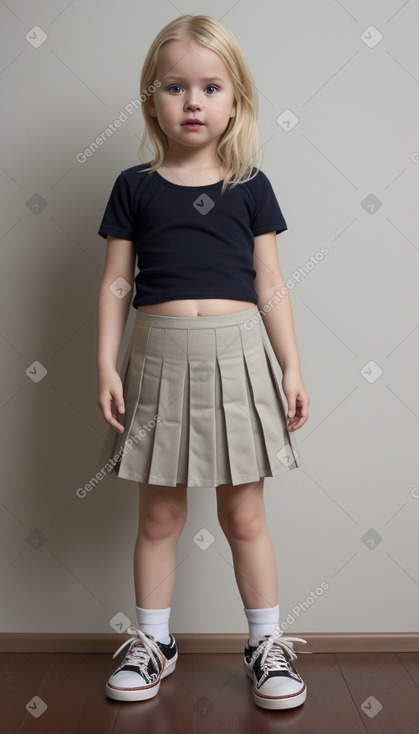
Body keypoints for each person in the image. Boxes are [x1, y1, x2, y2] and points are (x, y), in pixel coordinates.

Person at [96, 14, 310, 711]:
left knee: (244, 514)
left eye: (210, 86)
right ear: (151, 99)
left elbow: (270, 283)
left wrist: (290, 366)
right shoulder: (134, 185)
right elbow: (116, 283)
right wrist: (106, 364)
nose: (193, 101)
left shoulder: (250, 185)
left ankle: (266, 644)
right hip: (155, 358)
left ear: (234, 99)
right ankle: (154, 641)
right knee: (158, 517)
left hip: (239, 358)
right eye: (175, 87)